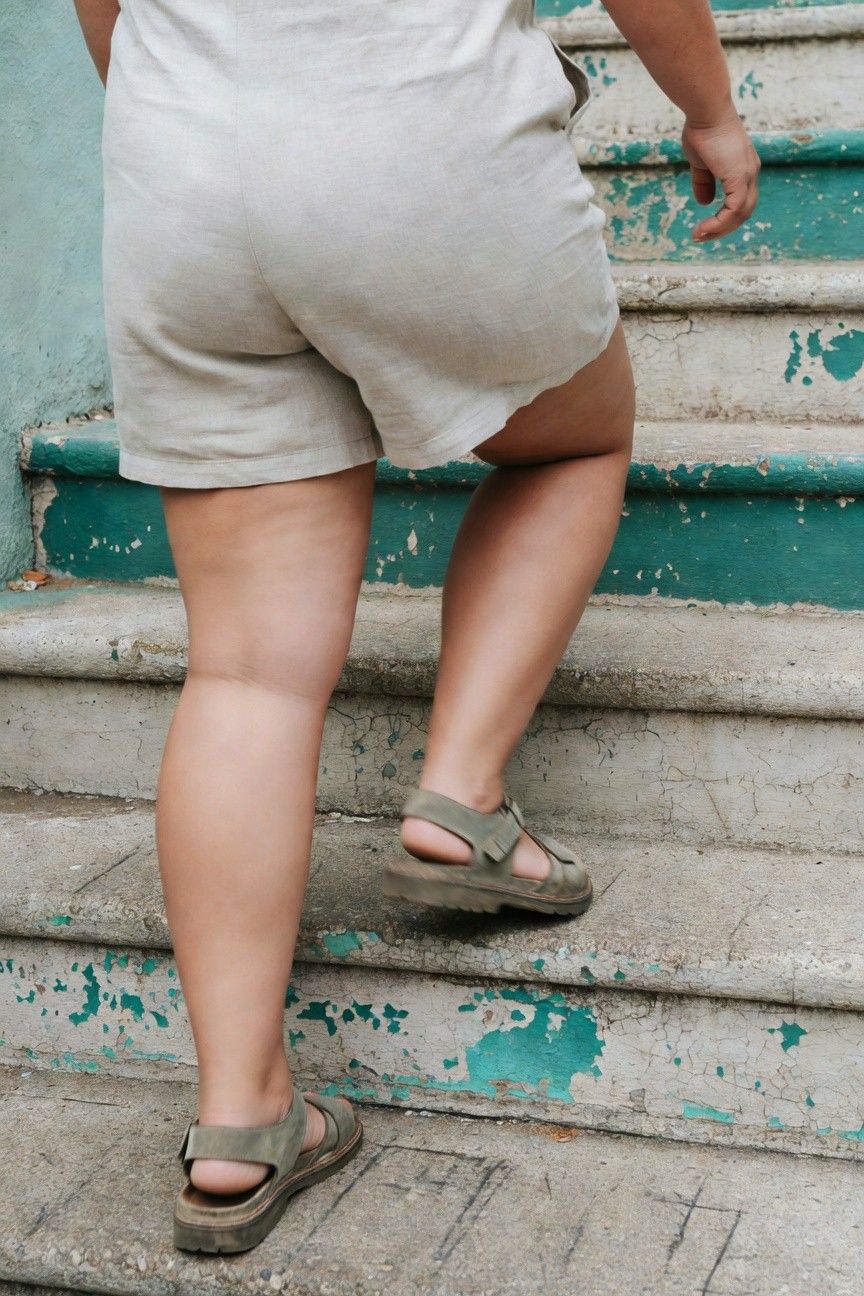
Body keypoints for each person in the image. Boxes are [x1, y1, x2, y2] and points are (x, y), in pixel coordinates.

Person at [73, 0, 759, 1255]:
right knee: (576, 442)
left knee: (244, 669)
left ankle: (240, 1120)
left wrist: (198, 115)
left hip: (182, 172)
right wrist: (710, 111)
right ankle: (459, 793)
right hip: (416, 135)